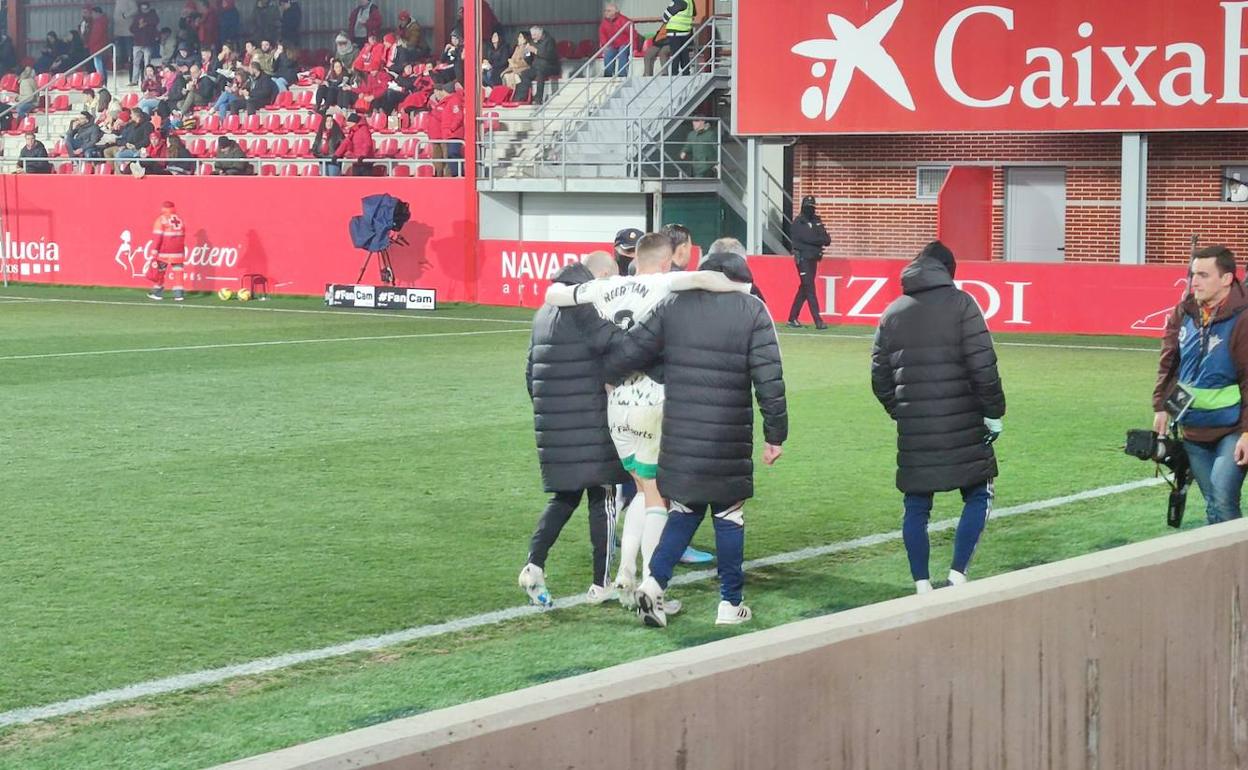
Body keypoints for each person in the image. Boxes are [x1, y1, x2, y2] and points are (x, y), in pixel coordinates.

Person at [545, 235, 747, 608]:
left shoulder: (608, 285)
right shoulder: (665, 282)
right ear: (668, 261)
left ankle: (625, 573)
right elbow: (708, 280)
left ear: (635, 258)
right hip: (655, 395)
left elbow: (555, 294)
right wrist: (740, 286)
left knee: (641, 488)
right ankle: (653, 590)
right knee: (660, 497)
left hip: (616, 400)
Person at [590, 250, 788, 627]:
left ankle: (653, 582)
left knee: (685, 508)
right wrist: (775, 435)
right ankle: (730, 605)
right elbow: (770, 378)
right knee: (729, 512)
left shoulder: (673, 304)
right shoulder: (752, 310)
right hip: (728, 430)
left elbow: (628, 352)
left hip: (680, 428)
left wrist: (667, 371)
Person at [870, 241, 1006, 595]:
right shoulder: (962, 305)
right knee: (979, 491)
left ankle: (921, 584)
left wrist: (902, 413)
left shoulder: (892, 312)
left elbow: (879, 379)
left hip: (915, 428)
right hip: (964, 423)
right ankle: (958, 575)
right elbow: (983, 365)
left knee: (916, 504)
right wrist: (993, 414)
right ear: (948, 271)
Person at [521, 251, 629, 607]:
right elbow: (616, 350)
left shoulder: (543, 312)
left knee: (565, 497)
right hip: (592, 420)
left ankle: (533, 565)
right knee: (604, 498)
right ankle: (602, 584)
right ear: (598, 276)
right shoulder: (587, 309)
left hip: (553, 424)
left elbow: (530, 372)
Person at [1153, 245, 1248, 525]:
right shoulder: (1183, 312)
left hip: (1233, 429)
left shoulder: (1243, 319)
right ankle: (1226, 565)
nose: (1195, 281)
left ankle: (1237, 565)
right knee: (1213, 504)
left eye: (1204, 275)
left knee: (1222, 496)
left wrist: (1247, 432)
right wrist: (1160, 406)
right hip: (1194, 427)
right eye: (1193, 274)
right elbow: (1168, 362)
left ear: (1227, 279)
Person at [788, 195, 830, 329]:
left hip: (813, 258)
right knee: (810, 288)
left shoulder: (817, 220)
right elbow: (806, 238)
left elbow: (827, 239)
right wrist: (817, 239)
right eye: (808, 207)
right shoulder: (798, 222)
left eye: (812, 207)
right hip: (803, 259)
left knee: (805, 289)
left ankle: (792, 318)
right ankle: (818, 320)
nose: (810, 210)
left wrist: (815, 240)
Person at [147, 201, 186, 302]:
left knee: (160, 271)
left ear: (163, 208)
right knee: (178, 272)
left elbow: (157, 237)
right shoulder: (180, 220)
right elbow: (183, 235)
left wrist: (154, 250)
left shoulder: (161, 220)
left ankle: (157, 292)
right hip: (178, 251)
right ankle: (179, 295)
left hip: (164, 251)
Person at [515, 25, 558, 104]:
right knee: (524, 74)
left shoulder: (550, 41)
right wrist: (526, 53)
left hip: (550, 66)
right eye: (532, 35)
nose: (533, 37)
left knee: (540, 72)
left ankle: (538, 99)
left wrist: (536, 51)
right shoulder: (533, 42)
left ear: (540, 34)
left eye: (534, 35)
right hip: (536, 67)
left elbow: (550, 55)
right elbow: (530, 60)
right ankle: (521, 98)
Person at [428, 80, 462, 177]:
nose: (437, 93)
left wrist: (451, 129)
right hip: (436, 136)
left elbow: (457, 116)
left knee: (448, 157)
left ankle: (450, 176)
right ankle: (440, 177)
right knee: (438, 159)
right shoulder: (442, 102)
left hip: (446, 135)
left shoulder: (451, 101)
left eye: (439, 90)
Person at [599, 3, 636, 77]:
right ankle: (608, 76)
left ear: (615, 12)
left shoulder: (624, 20)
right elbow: (602, 35)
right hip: (613, 45)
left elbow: (633, 34)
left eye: (608, 11)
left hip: (625, 44)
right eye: (605, 11)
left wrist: (630, 46)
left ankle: (622, 75)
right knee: (608, 52)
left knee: (622, 50)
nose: (606, 12)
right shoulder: (604, 22)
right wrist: (605, 45)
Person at [662, 0, 695, 74]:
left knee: (675, 54)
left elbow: (667, 14)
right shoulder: (690, 1)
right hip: (685, 31)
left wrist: (664, 20)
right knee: (684, 54)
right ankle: (686, 72)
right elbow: (694, 13)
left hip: (675, 31)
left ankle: (674, 73)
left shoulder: (678, 1)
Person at [86, 6, 110, 80]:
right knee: (102, 64)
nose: (92, 15)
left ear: (97, 13)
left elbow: (96, 36)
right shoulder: (104, 21)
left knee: (98, 64)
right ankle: (103, 79)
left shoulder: (98, 23)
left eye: (93, 13)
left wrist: (89, 44)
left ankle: (100, 79)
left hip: (97, 47)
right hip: (102, 45)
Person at [114, 0, 137, 75]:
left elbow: (135, 9)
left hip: (128, 30)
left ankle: (129, 65)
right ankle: (121, 64)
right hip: (118, 29)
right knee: (119, 49)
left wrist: (125, 16)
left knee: (129, 49)